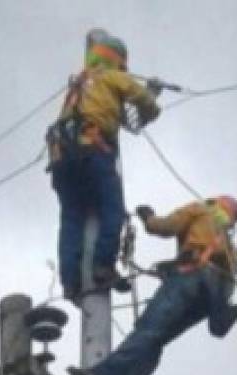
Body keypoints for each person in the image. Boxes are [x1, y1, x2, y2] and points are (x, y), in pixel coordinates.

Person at [68, 195, 237, 375]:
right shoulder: (228, 246)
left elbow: (165, 227)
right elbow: (228, 274)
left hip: (190, 278)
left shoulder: (200, 210)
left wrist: (148, 217)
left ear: (214, 203)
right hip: (208, 300)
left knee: (149, 331)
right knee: (156, 340)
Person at [48, 29, 161, 300]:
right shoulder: (113, 77)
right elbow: (146, 108)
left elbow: (118, 115)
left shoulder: (79, 84)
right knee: (113, 210)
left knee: (72, 218)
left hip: (62, 160)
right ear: (119, 61)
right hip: (94, 153)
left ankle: (70, 282)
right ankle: (102, 266)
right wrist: (152, 93)